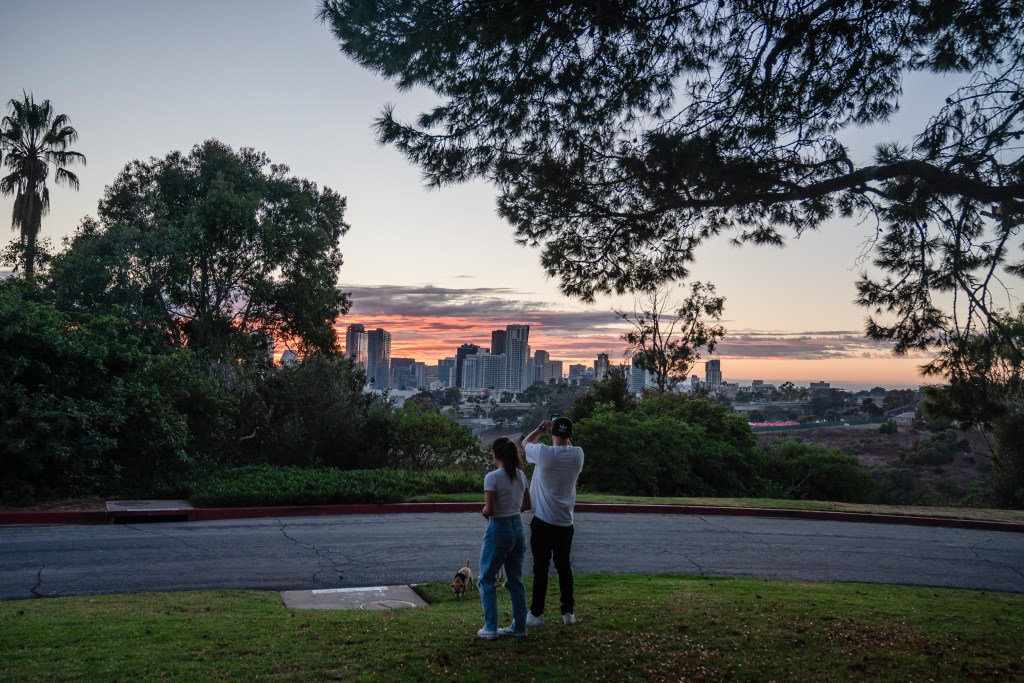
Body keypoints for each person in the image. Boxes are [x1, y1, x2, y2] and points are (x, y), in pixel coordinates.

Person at [521, 416, 585, 627]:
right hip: (566, 522)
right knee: (564, 567)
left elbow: (524, 444)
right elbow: (569, 446)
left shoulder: (544, 453)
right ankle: (568, 613)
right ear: (570, 436)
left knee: (541, 568)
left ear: (552, 433)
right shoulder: (578, 454)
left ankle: (537, 614)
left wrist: (541, 427)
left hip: (543, 521)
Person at [476, 436, 532, 639]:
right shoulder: (521, 476)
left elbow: (489, 510)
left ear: (495, 454)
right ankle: (520, 627)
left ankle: (490, 627)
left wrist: (483, 510)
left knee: (486, 578)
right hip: (517, 528)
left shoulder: (492, 477)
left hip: (498, 529)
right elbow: (527, 505)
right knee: (515, 580)